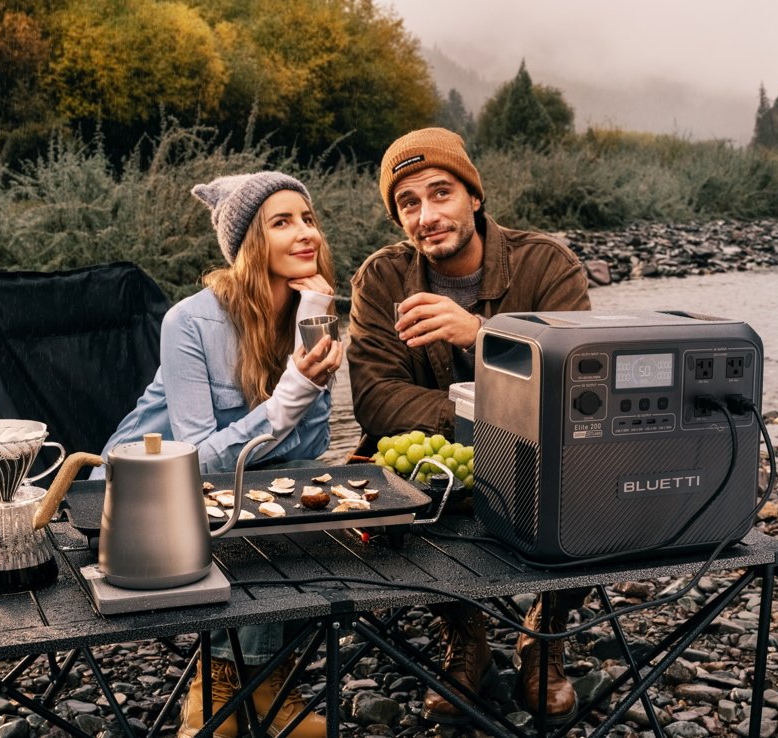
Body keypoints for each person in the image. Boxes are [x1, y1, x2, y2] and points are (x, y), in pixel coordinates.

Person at [346, 128, 591, 724]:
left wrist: (485, 339)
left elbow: (582, 389)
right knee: (387, 471)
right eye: (409, 203)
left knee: (596, 468)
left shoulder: (547, 264)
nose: (427, 215)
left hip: (541, 457)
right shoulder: (382, 280)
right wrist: (477, 420)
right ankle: (466, 636)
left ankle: (545, 635)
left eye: (441, 193)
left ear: (474, 197)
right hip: (443, 470)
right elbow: (377, 401)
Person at [95, 171, 340, 738]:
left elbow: (313, 445)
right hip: (141, 488)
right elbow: (195, 462)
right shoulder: (191, 321)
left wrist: (311, 329)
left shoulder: (311, 308)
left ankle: (261, 680)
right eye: (282, 222)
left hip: (238, 478)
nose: (306, 233)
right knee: (248, 494)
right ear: (250, 244)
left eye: (308, 218)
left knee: (302, 483)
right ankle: (225, 681)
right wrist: (288, 398)